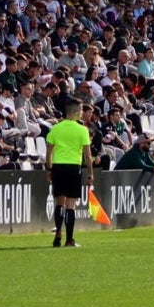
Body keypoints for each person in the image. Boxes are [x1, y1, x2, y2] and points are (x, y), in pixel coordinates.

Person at [45, 97, 92, 248]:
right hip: (73, 168)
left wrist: (49, 169)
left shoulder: (55, 129)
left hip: (58, 167)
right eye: (82, 110)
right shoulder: (82, 130)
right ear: (77, 112)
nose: (83, 113)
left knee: (60, 202)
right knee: (71, 204)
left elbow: (48, 153)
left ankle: (58, 232)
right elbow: (88, 156)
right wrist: (91, 173)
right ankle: (69, 240)